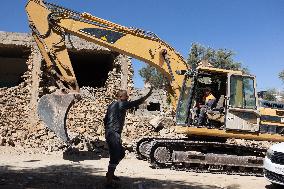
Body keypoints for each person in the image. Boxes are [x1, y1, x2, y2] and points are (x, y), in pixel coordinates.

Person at [104, 87, 152, 185]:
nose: (128, 97)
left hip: (111, 132)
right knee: (115, 155)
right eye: (126, 96)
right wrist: (147, 96)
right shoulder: (121, 104)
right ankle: (109, 181)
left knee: (121, 153)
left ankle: (110, 173)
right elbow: (135, 103)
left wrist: (107, 130)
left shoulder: (111, 105)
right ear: (121, 97)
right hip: (113, 133)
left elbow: (105, 120)